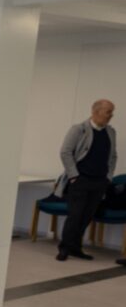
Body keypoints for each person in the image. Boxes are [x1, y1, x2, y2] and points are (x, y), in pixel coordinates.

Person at [55, 99, 117, 261]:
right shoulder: (79, 129)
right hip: (80, 180)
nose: (111, 115)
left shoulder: (110, 132)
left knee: (87, 216)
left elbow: (113, 156)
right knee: (75, 215)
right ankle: (64, 248)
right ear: (96, 112)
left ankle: (76, 248)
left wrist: (108, 177)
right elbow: (65, 152)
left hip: (99, 182)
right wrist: (74, 176)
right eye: (108, 112)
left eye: (111, 112)